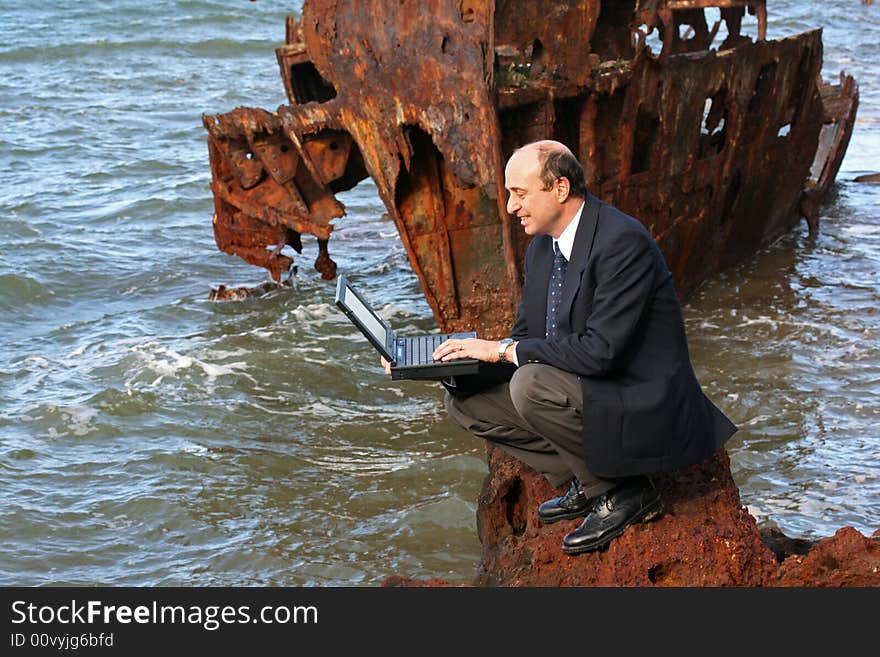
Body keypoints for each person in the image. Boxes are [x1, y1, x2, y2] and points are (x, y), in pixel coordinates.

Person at [426, 139, 737, 554]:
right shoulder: (542, 248)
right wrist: (449, 367)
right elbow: (526, 338)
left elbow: (599, 352)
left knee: (529, 383)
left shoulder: (622, 242)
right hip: (589, 389)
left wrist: (499, 350)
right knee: (465, 405)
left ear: (560, 189)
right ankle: (586, 480)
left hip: (641, 399)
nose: (510, 208)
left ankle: (626, 493)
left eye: (520, 194)